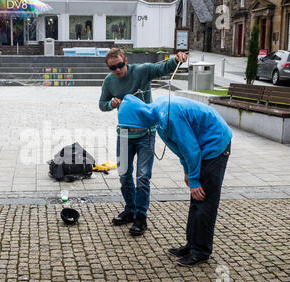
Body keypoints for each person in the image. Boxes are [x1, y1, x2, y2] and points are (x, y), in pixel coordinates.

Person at [118, 94, 232, 266]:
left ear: (138, 119)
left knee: (204, 199)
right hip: (202, 145)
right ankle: (192, 244)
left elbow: (191, 149)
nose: (132, 132)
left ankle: (201, 251)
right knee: (196, 200)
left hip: (215, 144)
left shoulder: (168, 117)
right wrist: (188, 171)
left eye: (131, 128)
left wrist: (194, 180)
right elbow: (180, 148)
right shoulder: (157, 116)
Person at [99, 47, 188, 236]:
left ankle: (141, 217)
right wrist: (111, 104)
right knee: (124, 175)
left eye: (120, 65)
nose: (117, 70)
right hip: (124, 134)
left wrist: (177, 59)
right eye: (113, 68)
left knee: (142, 176)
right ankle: (130, 210)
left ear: (126, 61)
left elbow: (162, 68)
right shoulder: (109, 81)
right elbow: (102, 105)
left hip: (146, 133)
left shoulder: (141, 71)